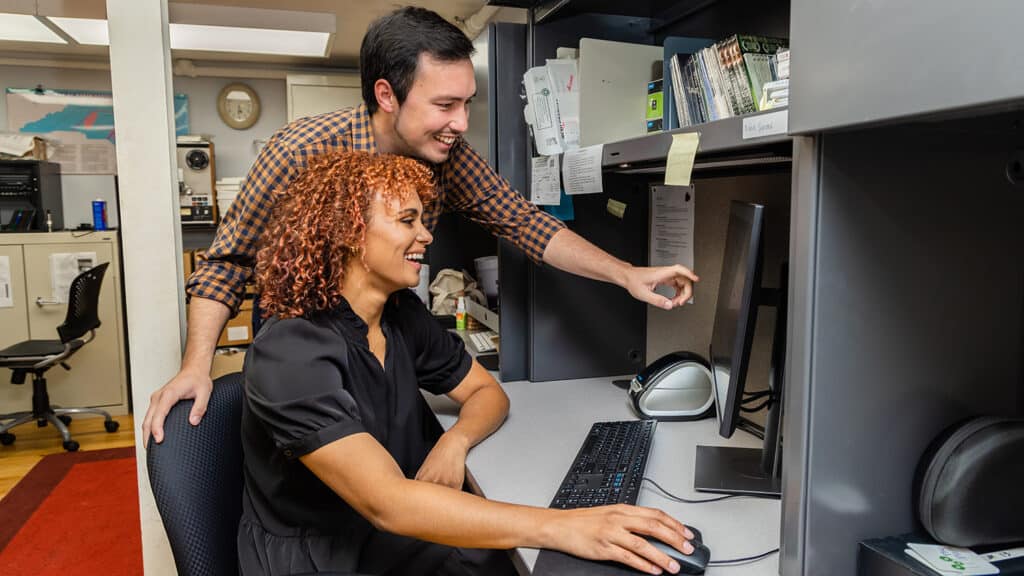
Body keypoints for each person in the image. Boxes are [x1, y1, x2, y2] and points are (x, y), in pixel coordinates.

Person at [143, 6, 699, 444]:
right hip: (303, 343)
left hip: (387, 333)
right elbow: (227, 263)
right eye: (444, 104)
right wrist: (196, 366)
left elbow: (525, 223)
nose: (460, 123)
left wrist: (625, 273)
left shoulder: (446, 156)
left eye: (467, 103)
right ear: (387, 94)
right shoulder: (301, 152)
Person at [239, 149, 696, 575]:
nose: (426, 235)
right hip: (324, 554)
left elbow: (485, 392)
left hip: (387, 526)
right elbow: (389, 505)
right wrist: (562, 525)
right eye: (407, 220)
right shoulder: (291, 352)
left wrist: (454, 441)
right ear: (348, 233)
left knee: (501, 558)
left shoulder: (399, 314)